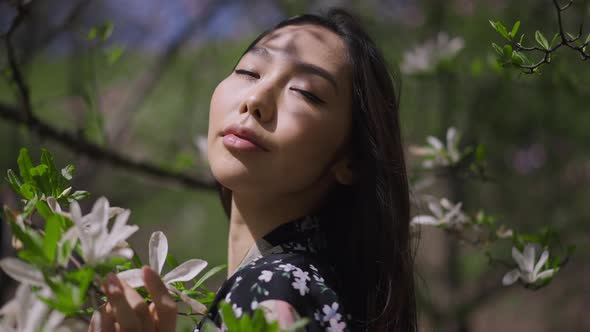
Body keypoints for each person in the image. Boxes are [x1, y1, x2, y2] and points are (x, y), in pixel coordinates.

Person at [91, 8, 417, 332]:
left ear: (351, 160)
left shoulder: (275, 293)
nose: (256, 98)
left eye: (305, 91)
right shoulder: (301, 290)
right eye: (249, 72)